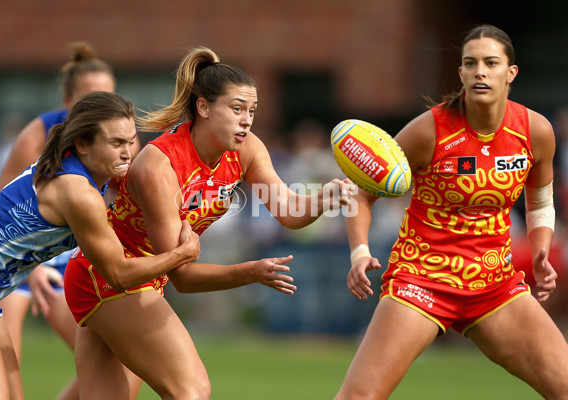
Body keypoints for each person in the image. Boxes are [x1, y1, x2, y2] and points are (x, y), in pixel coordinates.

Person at [63, 46, 356, 399]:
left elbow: (289, 211)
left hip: (141, 279)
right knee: (192, 390)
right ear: (203, 108)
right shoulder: (160, 165)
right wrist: (250, 272)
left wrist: (325, 198)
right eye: (236, 109)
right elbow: (182, 277)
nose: (247, 119)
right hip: (109, 277)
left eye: (252, 110)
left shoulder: (245, 149)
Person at [335, 24, 568, 400]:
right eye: (470, 63)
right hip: (420, 280)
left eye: (491, 63)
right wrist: (359, 251)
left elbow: (540, 200)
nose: (480, 71)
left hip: (495, 285)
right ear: (460, 73)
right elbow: (360, 196)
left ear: (510, 73)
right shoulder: (429, 131)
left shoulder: (535, 130)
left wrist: (541, 248)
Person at [0, 91, 200, 400]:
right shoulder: (79, 192)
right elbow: (118, 273)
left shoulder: (82, 169)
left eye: (130, 141)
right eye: (116, 143)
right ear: (82, 144)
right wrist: (179, 255)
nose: (127, 152)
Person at [0, 42, 139, 400]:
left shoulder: (119, 140)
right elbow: (2, 205)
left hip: (67, 258)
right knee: (2, 378)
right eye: (90, 94)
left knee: (122, 363)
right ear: (68, 99)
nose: (99, 101)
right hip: (15, 260)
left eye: (107, 92)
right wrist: (33, 268)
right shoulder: (38, 133)